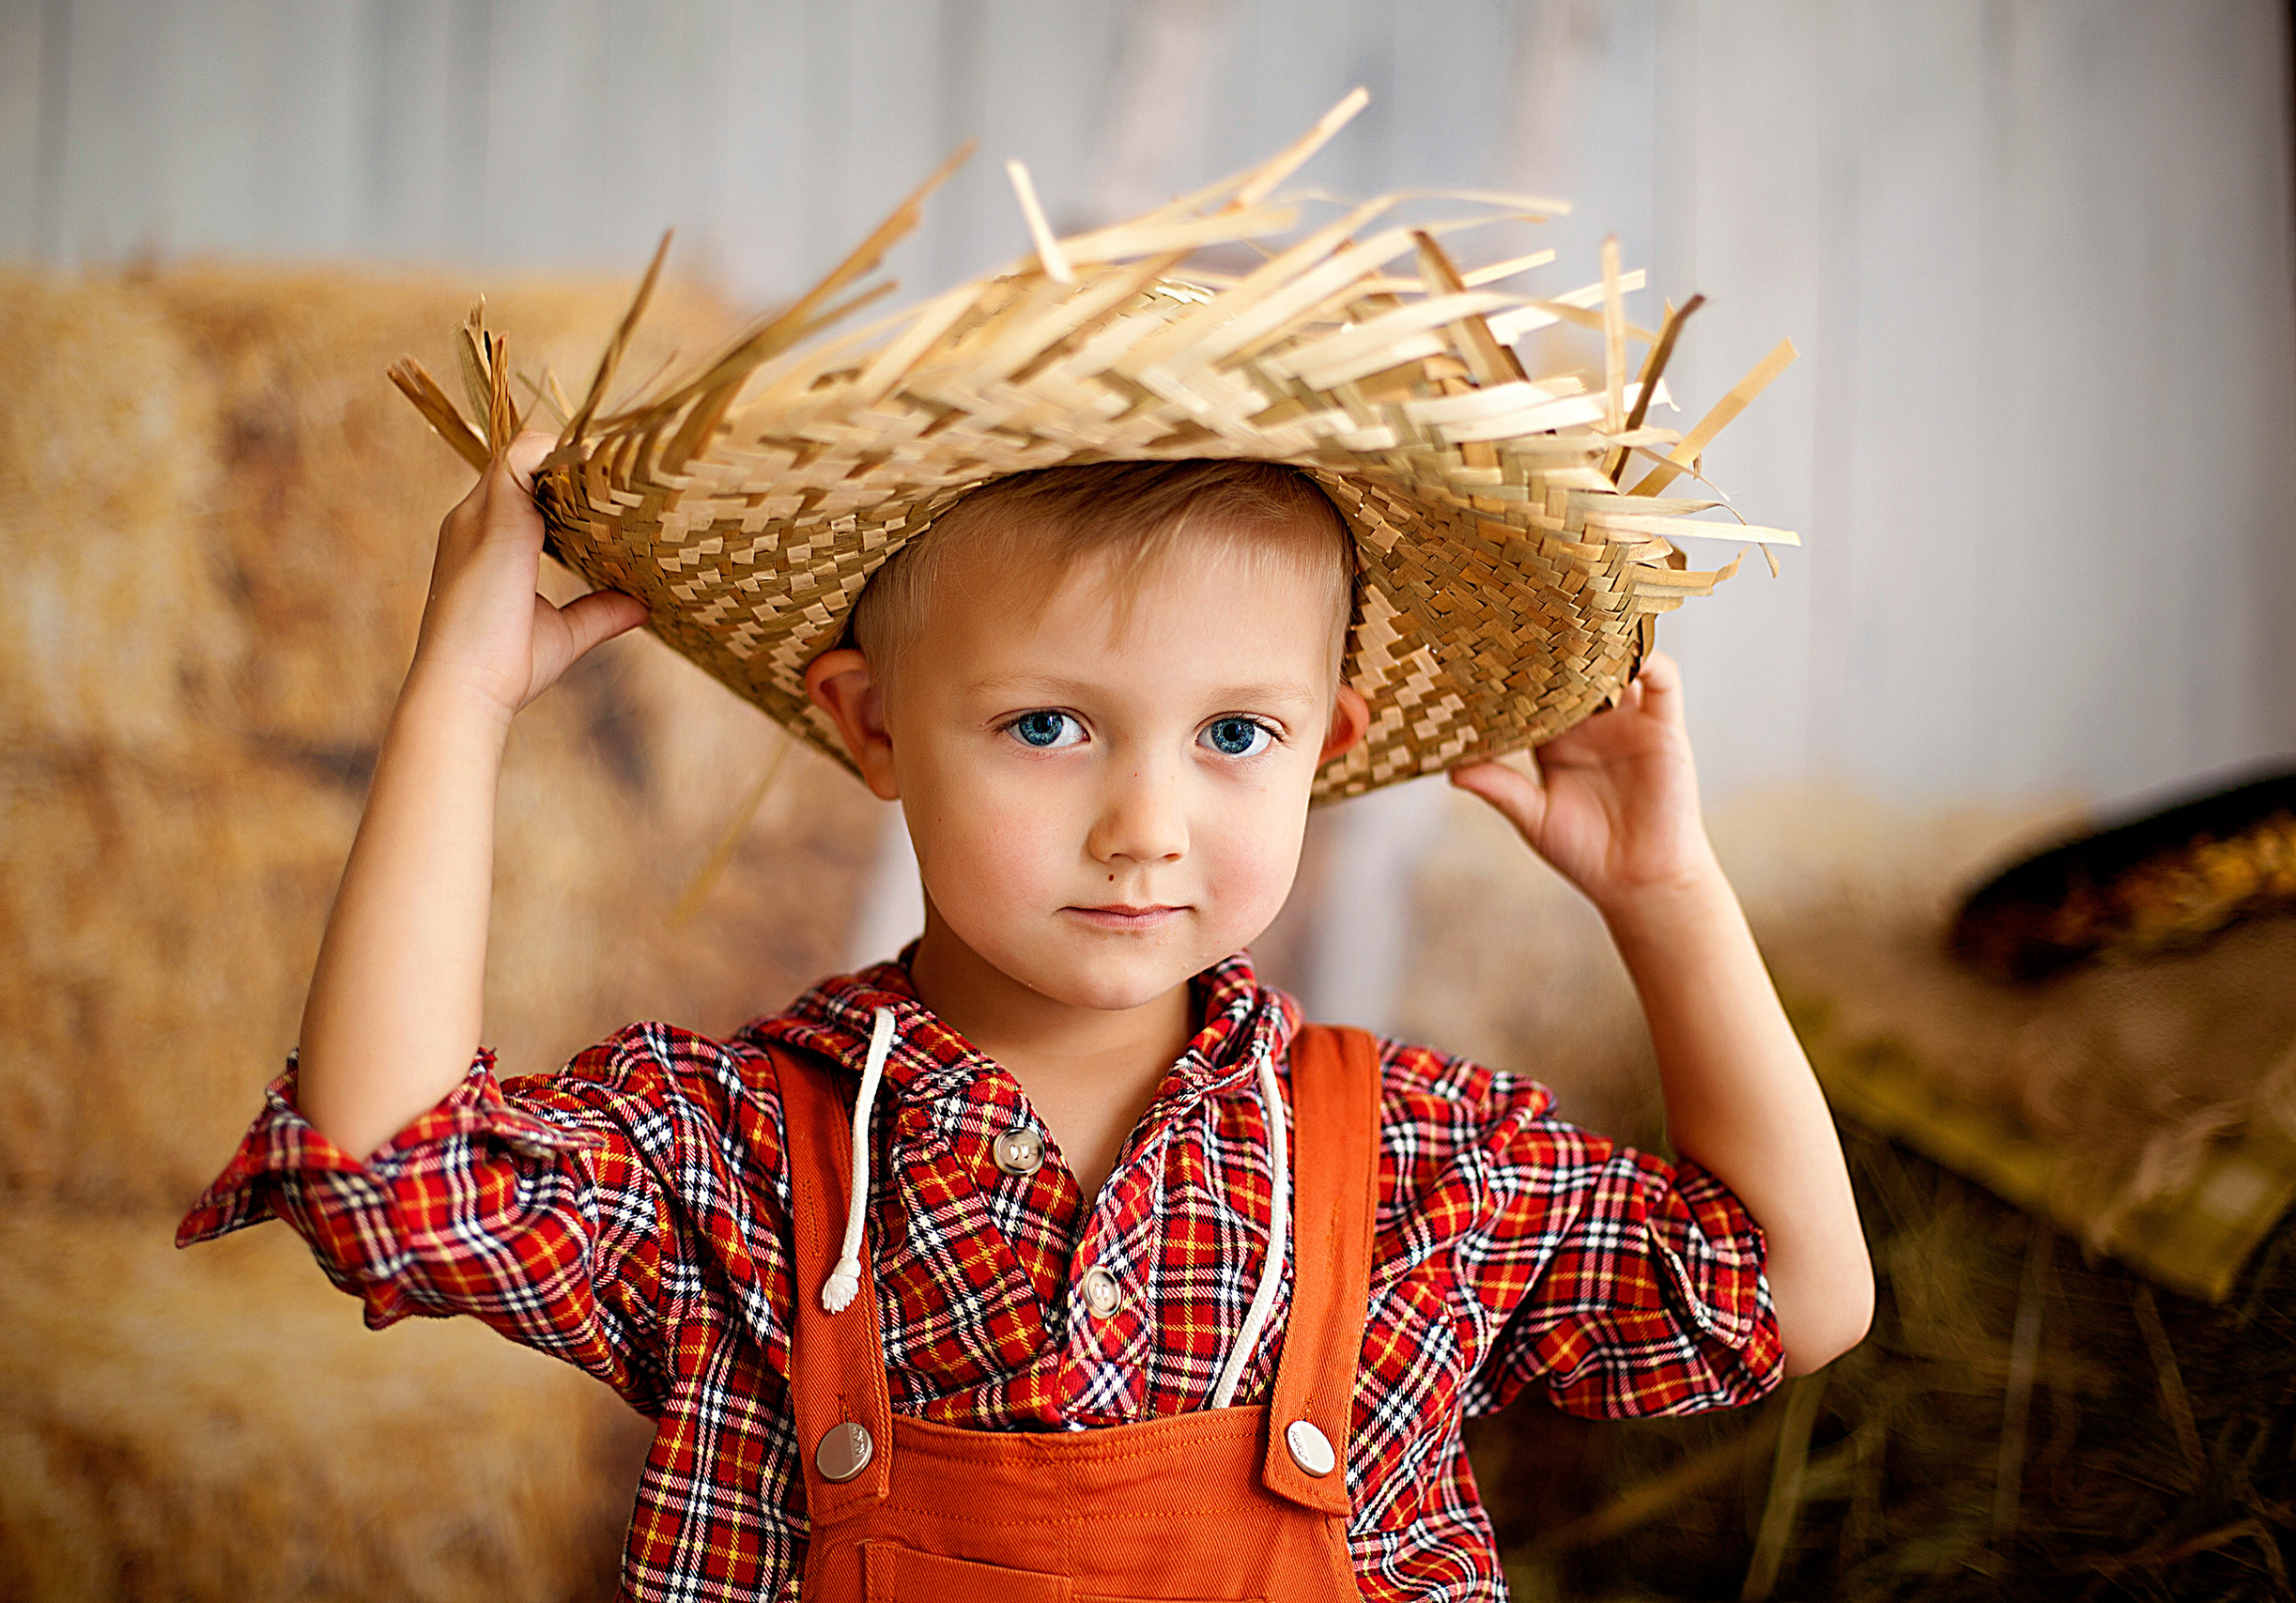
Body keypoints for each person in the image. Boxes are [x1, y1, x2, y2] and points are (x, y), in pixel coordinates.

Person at [179, 116, 1872, 1601]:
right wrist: (460, 707)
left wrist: (1666, 894)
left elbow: (1792, 1299)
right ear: (874, 729)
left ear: (1329, 753)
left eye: (1233, 736)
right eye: (1050, 726)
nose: (1146, 826)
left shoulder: (1416, 1172)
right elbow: (386, 1178)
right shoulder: (742, 1168)